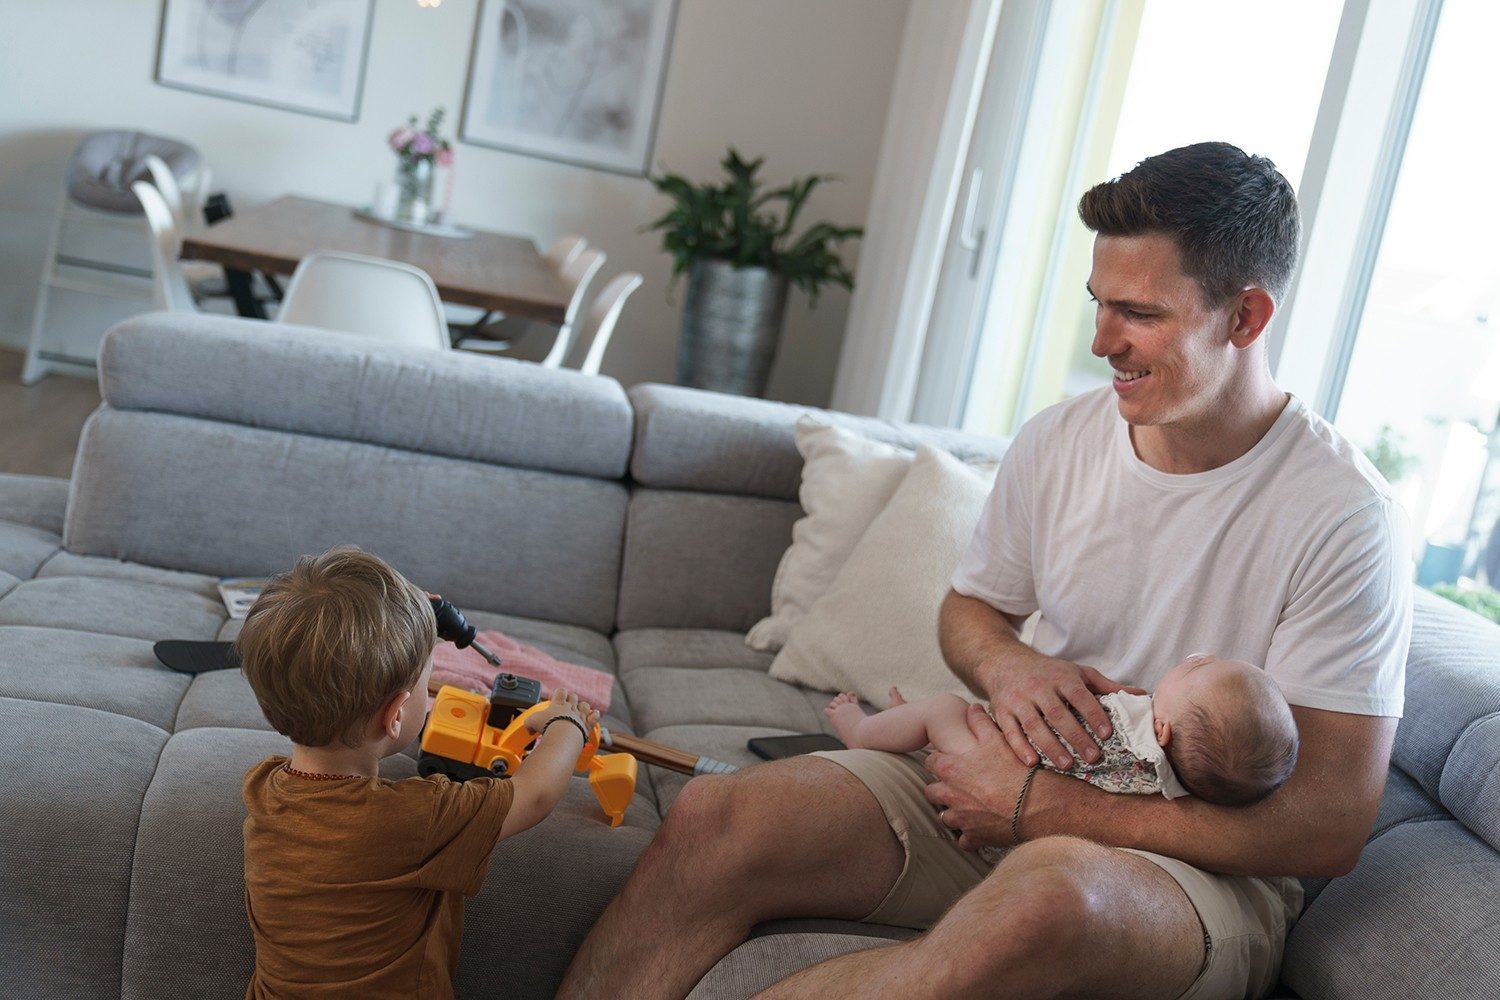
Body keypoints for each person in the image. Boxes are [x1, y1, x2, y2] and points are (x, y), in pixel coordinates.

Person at [559, 142, 1412, 1000]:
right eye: (1097, 303)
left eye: (1139, 313)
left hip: (1195, 870)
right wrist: (1011, 665)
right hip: (1005, 783)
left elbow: (1329, 826)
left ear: (1246, 317)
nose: (1101, 341)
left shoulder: (1344, 515)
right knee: (718, 820)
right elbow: (971, 610)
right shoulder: (1060, 439)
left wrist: (1046, 811)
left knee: (1047, 905)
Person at [238, 545, 599, 1000]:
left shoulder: (263, 788)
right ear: (395, 716)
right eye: (427, 683)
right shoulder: (415, 818)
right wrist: (566, 722)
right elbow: (535, 794)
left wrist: (405, 618)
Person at [825, 652, 1299, 807]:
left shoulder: (1132, 722)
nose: (1194, 658)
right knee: (946, 715)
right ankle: (906, 724)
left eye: (1197, 670)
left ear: (1162, 729)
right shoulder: (1170, 784)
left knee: (947, 710)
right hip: (1017, 781)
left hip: (991, 769)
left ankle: (862, 731)